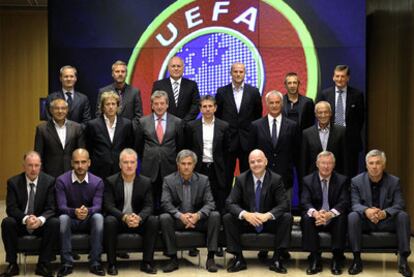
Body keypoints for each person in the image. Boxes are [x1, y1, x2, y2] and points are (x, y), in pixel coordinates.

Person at [223, 149, 292, 273]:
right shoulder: (241, 179)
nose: (256, 164)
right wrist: (245, 214)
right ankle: (239, 258)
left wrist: (268, 215)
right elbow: (229, 202)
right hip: (248, 221)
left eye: (259, 161)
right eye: (252, 162)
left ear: (266, 161)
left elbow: (284, 204)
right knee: (228, 217)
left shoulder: (276, 179)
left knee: (287, 217)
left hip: (268, 221)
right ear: (249, 164)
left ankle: (277, 259)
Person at [347, 150, 412, 277]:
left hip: (386, 221)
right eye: (371, 163)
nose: (374, 166)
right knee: (353, 216)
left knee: (403, 216)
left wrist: (384, 213)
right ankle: (357, 260)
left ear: (384, 165)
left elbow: (400, 204)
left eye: (378, 163)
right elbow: (354, 204)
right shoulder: (356, 181)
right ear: (366, 165)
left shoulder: (394, 181)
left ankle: (403, 261)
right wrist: (367, 211)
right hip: (366, 221)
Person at [160, 150, 220, 273]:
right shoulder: (168, 180)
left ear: (194, 164)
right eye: (183, 163)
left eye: (189, 163)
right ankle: (173, 258)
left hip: (197, 220)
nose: (186, 166)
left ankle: (210, 258)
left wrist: (197, 215)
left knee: (215, 215)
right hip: (178, 220)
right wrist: (180, 215)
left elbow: (210, 203)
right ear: (178, 164)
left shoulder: (203, 180)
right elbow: (165, 203)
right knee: (164, 218)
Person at [1, 151, 58, 277]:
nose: (33, 169)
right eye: (30, 165)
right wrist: (26, 219)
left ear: (41, 166)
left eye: (36, 165)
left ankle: (43, 264)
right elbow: (11, 208)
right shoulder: (13, 182)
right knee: (7, 222)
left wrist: (40, 220)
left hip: (40, 224)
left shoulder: (49, 181)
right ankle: (12, 264)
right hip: (22, 223)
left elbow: (52, 208)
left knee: (54, 222)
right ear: (24, 166)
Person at [103, 148, 159, 275]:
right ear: (120, 164)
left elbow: (149, 206)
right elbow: (108, 206)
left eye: (132, 162)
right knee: (109, 221)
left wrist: (139, 217)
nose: (129, 165)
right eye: (125, 162)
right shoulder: (110, 181)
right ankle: (112, 264)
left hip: (137, 220)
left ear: (137, 164)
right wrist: (124, 217)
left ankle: (147, 263)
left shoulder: (146, 182)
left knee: (153, 220)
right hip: (119, 221)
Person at [55, 148, 105, 277]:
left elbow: (98, 206)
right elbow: (61, 207)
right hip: (70, 220)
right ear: (72, 163)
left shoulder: (97, 181)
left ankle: (95, 262)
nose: (80, 166)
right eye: (77, 162)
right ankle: (66, 264)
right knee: (63, 218)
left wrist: (87, 211)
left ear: (89, 163)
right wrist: (74, 212)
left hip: (88, 220)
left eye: (83, 162)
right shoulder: (61, 180)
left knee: (98, 217)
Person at [301, 151, 349, 275]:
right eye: (323, 163)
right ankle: (315, 258)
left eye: (329, 163)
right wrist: (316, 213)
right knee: (307, 217)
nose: (326, 166)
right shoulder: (307, 180)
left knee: (342, 216)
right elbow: (305, 202)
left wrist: (330, 214)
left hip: (332, 217)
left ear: (334, 165)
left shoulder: (342, 180)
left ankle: (336, 258)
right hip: (316, 217)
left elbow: (344, 202)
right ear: (317, 164)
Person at [136, 90, 184, 213]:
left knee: (168, 204)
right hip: (149, 169)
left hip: (169, 168)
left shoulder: (177, 122)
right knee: (149, 204)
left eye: (162, 103)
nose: (159, 107)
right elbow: (138, 146)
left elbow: (180, 146)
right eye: (156, 104)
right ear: (152, 105)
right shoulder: (143, 122)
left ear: (167, 104)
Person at [249, 90, 299, 202]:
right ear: (267, 104)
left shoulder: (292, 126)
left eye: (277, 102)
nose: (274, 105)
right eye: (271, 103)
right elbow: (252, 151)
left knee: (285, 216)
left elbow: (296, 152)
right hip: (261, 178)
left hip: (285, 179)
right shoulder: (256, 126)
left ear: (282, 103)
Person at [316, 65, 364, 177]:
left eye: (342, 76)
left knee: (350, 175)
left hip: (350, 143)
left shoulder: (357, 95)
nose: (339, 79)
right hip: (330, 141)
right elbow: (320, 117)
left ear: (348, 78)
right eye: (337, 76)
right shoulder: (325, 94)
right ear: (333, 77)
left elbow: (360, 119)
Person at [185, 95, 230, 214]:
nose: (208, 109)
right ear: (200, 109)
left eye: (210, 106)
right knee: (199, 199)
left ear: (215, 108)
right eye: (204, 106)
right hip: (199, 168)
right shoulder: (192, 126)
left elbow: (227, 151)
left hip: (217, 169)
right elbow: (188, 149)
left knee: (218, 201)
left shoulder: (224, 126)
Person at [215, 62, 262, 174]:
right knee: (225, 177)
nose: (238, 74)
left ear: (245, 73)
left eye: (241, 72)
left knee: (247, 177)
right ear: (231, 73)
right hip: (228, 140)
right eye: (235, 71)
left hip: (248, 141)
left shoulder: (253, 92)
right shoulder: (221, 92)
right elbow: (218, 116)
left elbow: (257, 115)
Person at [85, 91, 133, 179]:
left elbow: (129, 147)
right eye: (107, 104)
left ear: (117, 106)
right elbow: (89, 148)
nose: (111, 107)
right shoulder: (93, 125)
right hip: (98, 170)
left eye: (113, 104)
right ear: (102, 107)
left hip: (120, 169)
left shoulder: (127, 124)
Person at [34, 98, 85, 177]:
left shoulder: (77, 128)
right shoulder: (42, 129)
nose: (60, 111)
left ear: (67, 110)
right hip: (49, 175)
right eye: (56, 108)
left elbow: (81, 153)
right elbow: (38, 155)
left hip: (72, 173)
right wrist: (41, 175)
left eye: (63, 108)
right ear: (51, 110)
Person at [301, 101, 346, 178]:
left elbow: (345, 159)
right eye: (320, 112)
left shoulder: (341, 131)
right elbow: (304, 161)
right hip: (313, 179)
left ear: (330, 113)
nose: (323, 115)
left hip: (336, 179)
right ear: (315, 115)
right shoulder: (307, 133)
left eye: (326, 112)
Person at [151, 56, 200, 122]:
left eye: (178, 66)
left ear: (183, 68)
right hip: (165, 125)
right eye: (173, 66)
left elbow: (196, 105)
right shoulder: (159, 85)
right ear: (168, 68)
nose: (176, 68)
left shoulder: (192, 85)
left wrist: (184, 122)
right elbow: (154, 105)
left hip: (187, 126)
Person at [96, 60, 143, 125]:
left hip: (129, 132)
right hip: (108, 132)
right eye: (117, 71)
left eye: (123, 71)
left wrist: (128, 130)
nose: (120, 74)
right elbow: (99, 114)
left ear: (126, 74)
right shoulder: (103, 91)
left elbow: (138, 116)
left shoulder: (135, 92)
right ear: (112, 74)